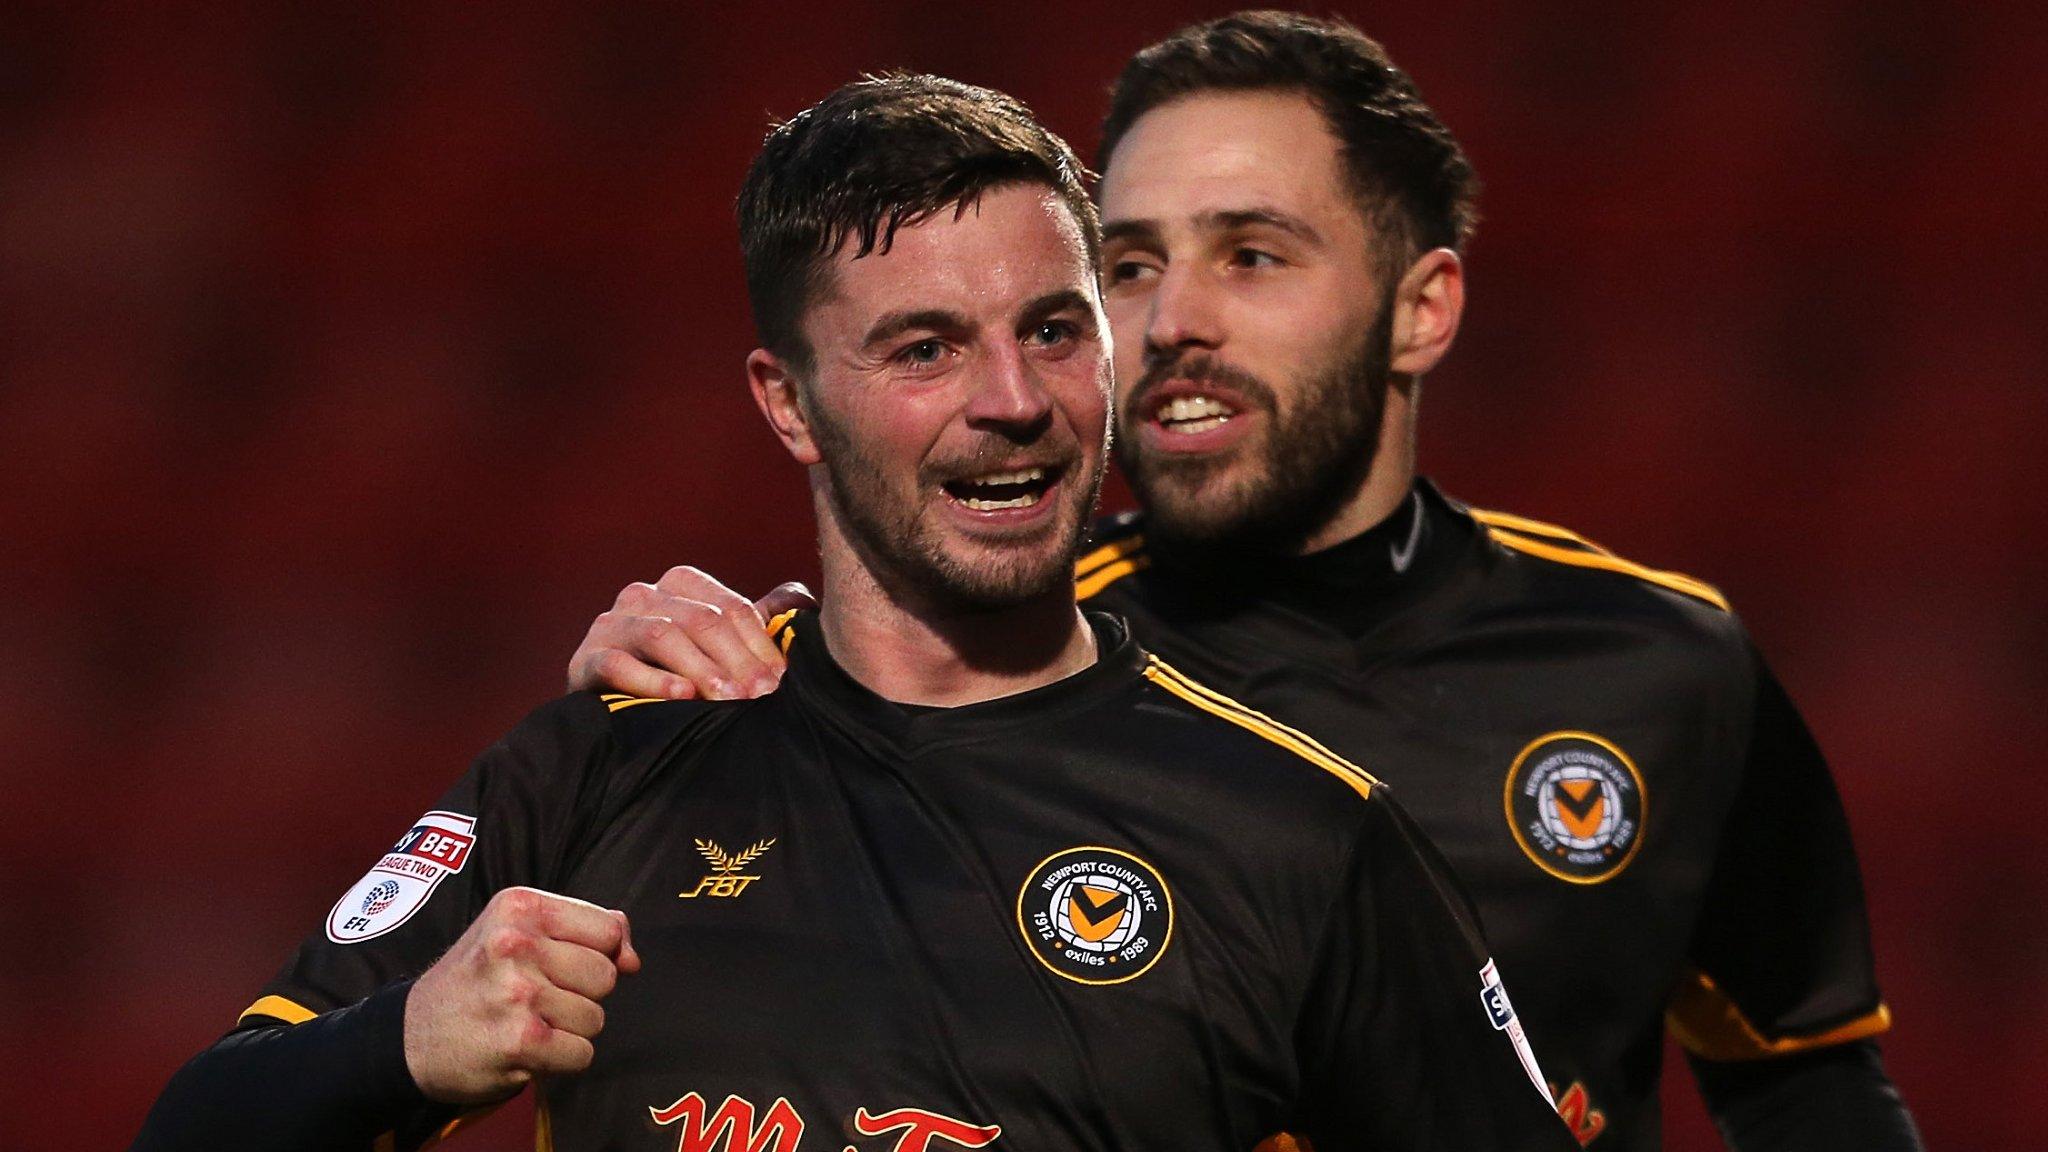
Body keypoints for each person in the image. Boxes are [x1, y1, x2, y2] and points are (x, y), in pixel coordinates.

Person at [133, 73, 1578, 1152]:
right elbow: (195, 1129)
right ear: (790, 405)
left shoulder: (1304, 835)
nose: (1012, 403)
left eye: (1055, 331)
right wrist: (404, 1046)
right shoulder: (610, 763)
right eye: (926, 348)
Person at [565, 13, 1922, 1152]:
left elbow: (1801, 1077)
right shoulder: (971, 660)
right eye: (1132, 265)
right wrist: (656, 705)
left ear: (1422, 306)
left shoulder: (1660, 666)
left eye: (1253, 255)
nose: (1175, 322)